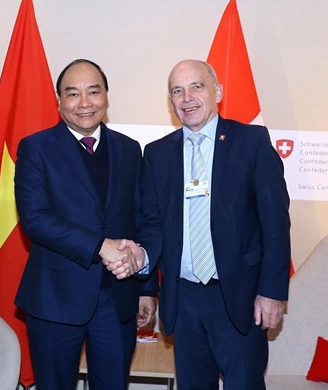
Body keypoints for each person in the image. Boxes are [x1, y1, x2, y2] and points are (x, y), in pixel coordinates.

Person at [112, 59, 291, 389]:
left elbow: (275, 223)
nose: (187, 97)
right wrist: (145, 275)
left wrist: (272, 292)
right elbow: (152, 224)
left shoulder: (250, 142)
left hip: (238, 295)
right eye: (177, 91)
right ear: (171, 103)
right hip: (184, 299)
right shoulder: (158, 154)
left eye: (196, 86)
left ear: (217, 92)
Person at [14, 58, 158, 390]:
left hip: (118, 298)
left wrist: (146, 287)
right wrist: (99, 246)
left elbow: (141, 220)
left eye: (93, 92)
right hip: (55, 300)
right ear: (59, 100)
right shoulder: (36, 148)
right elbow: (35, 219)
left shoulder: (128, 149)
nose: (84, 103)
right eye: (73, 94)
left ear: (106, 97)